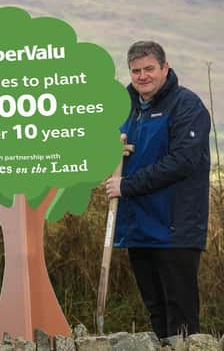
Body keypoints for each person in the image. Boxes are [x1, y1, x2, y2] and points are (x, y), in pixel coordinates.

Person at [105, 41, 210, 340]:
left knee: (181, 317)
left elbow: (182, 161)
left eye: (149, 68)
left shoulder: (186, 106)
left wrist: (128, 185)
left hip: (175, 227)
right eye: (136, 70)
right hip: (139, 226)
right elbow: (111, 152)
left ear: (165, 68)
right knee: (156, 311)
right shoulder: (126, 109)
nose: (142, 76)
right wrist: (110, 152)